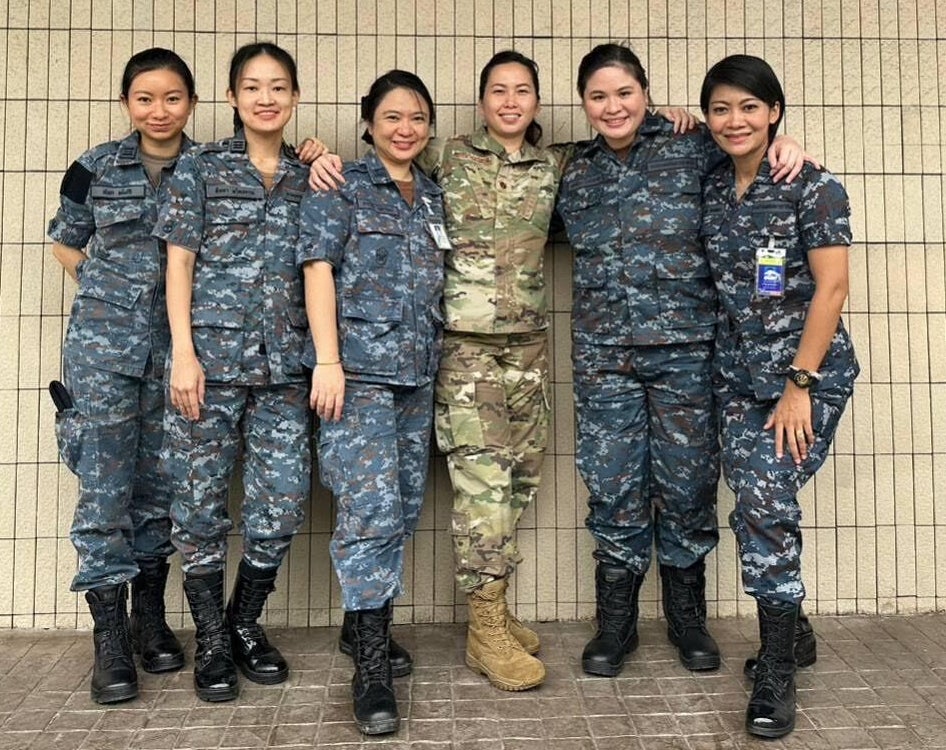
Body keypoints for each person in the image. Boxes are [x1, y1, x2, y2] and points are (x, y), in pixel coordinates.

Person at [555, 43, 811, 679]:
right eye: (597, 96)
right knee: (612, 485)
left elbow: (747, 144)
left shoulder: (692, 146)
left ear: (645, 94)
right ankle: (615, 622)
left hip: (688, 353)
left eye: (624, 93)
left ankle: (686, 617)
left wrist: (789, 142)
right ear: (584, 105)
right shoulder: (571, 171)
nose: (613, 107)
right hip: (605, 356)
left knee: (687, 485)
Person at [698, 54, 857, 738]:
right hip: (737, 378)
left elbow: (833, 289)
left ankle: (778, 668)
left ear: (775, 113)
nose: (736, 120)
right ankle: (795, 630)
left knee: (762, 501)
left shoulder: (812, 187)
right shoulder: (710, 187)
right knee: (762, 503)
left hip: (805, 377)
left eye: (750, 107)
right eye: (721, 108)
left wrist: (799, 384)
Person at [153, 42, 312, 702]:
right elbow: (179, 263)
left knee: (282, 501)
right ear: (232, 98)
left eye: (278, 87)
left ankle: (245, 622)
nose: (266, 97)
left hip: (283, 369)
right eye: (252, 87)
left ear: (295, 97)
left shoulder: (311, 177)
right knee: (198, 507)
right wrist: (184, 354)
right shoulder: (200, 168)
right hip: (209, 367)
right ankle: (211, 639)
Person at [47, 48, 198, 704]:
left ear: (190, 102)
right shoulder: (94, 167)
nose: (158, 110)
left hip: (179, 354)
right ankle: (109, 639)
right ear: (126, 103)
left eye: (171, 97)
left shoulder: (209, 168)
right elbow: (64, 240)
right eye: (145, 98)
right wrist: (105, 291)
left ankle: (150, 618)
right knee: (104, 489)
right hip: (103, 352)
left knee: (161, 486)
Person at [298, 70, 445, 735]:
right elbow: (317, 270)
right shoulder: (341, 185)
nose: (404, 128)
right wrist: (328, 361)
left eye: (416, 117)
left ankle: (363, 629)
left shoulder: (435, 195)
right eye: (391, 117)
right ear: (368, 124)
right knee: (370, 511)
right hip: (355, 375)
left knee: (404, 506)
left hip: (417, 375)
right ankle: (372, 666)